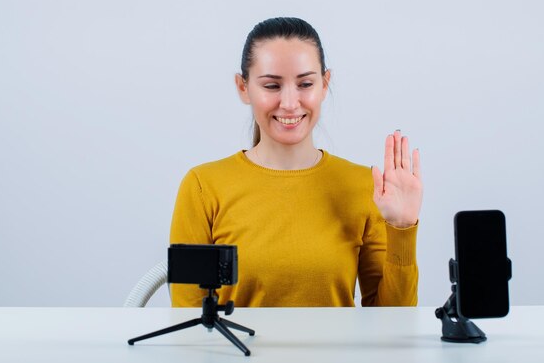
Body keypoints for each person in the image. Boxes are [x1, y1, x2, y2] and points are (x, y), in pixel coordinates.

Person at [169, 17, 423, 307]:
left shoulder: (366, 186)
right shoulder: (203, 187)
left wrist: (402, 227)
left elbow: (391, 327)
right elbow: (189, 324)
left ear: (325, 85)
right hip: (238, 354)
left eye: (305, 83)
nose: (290, 103)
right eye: (272, 86)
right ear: (243, 87)